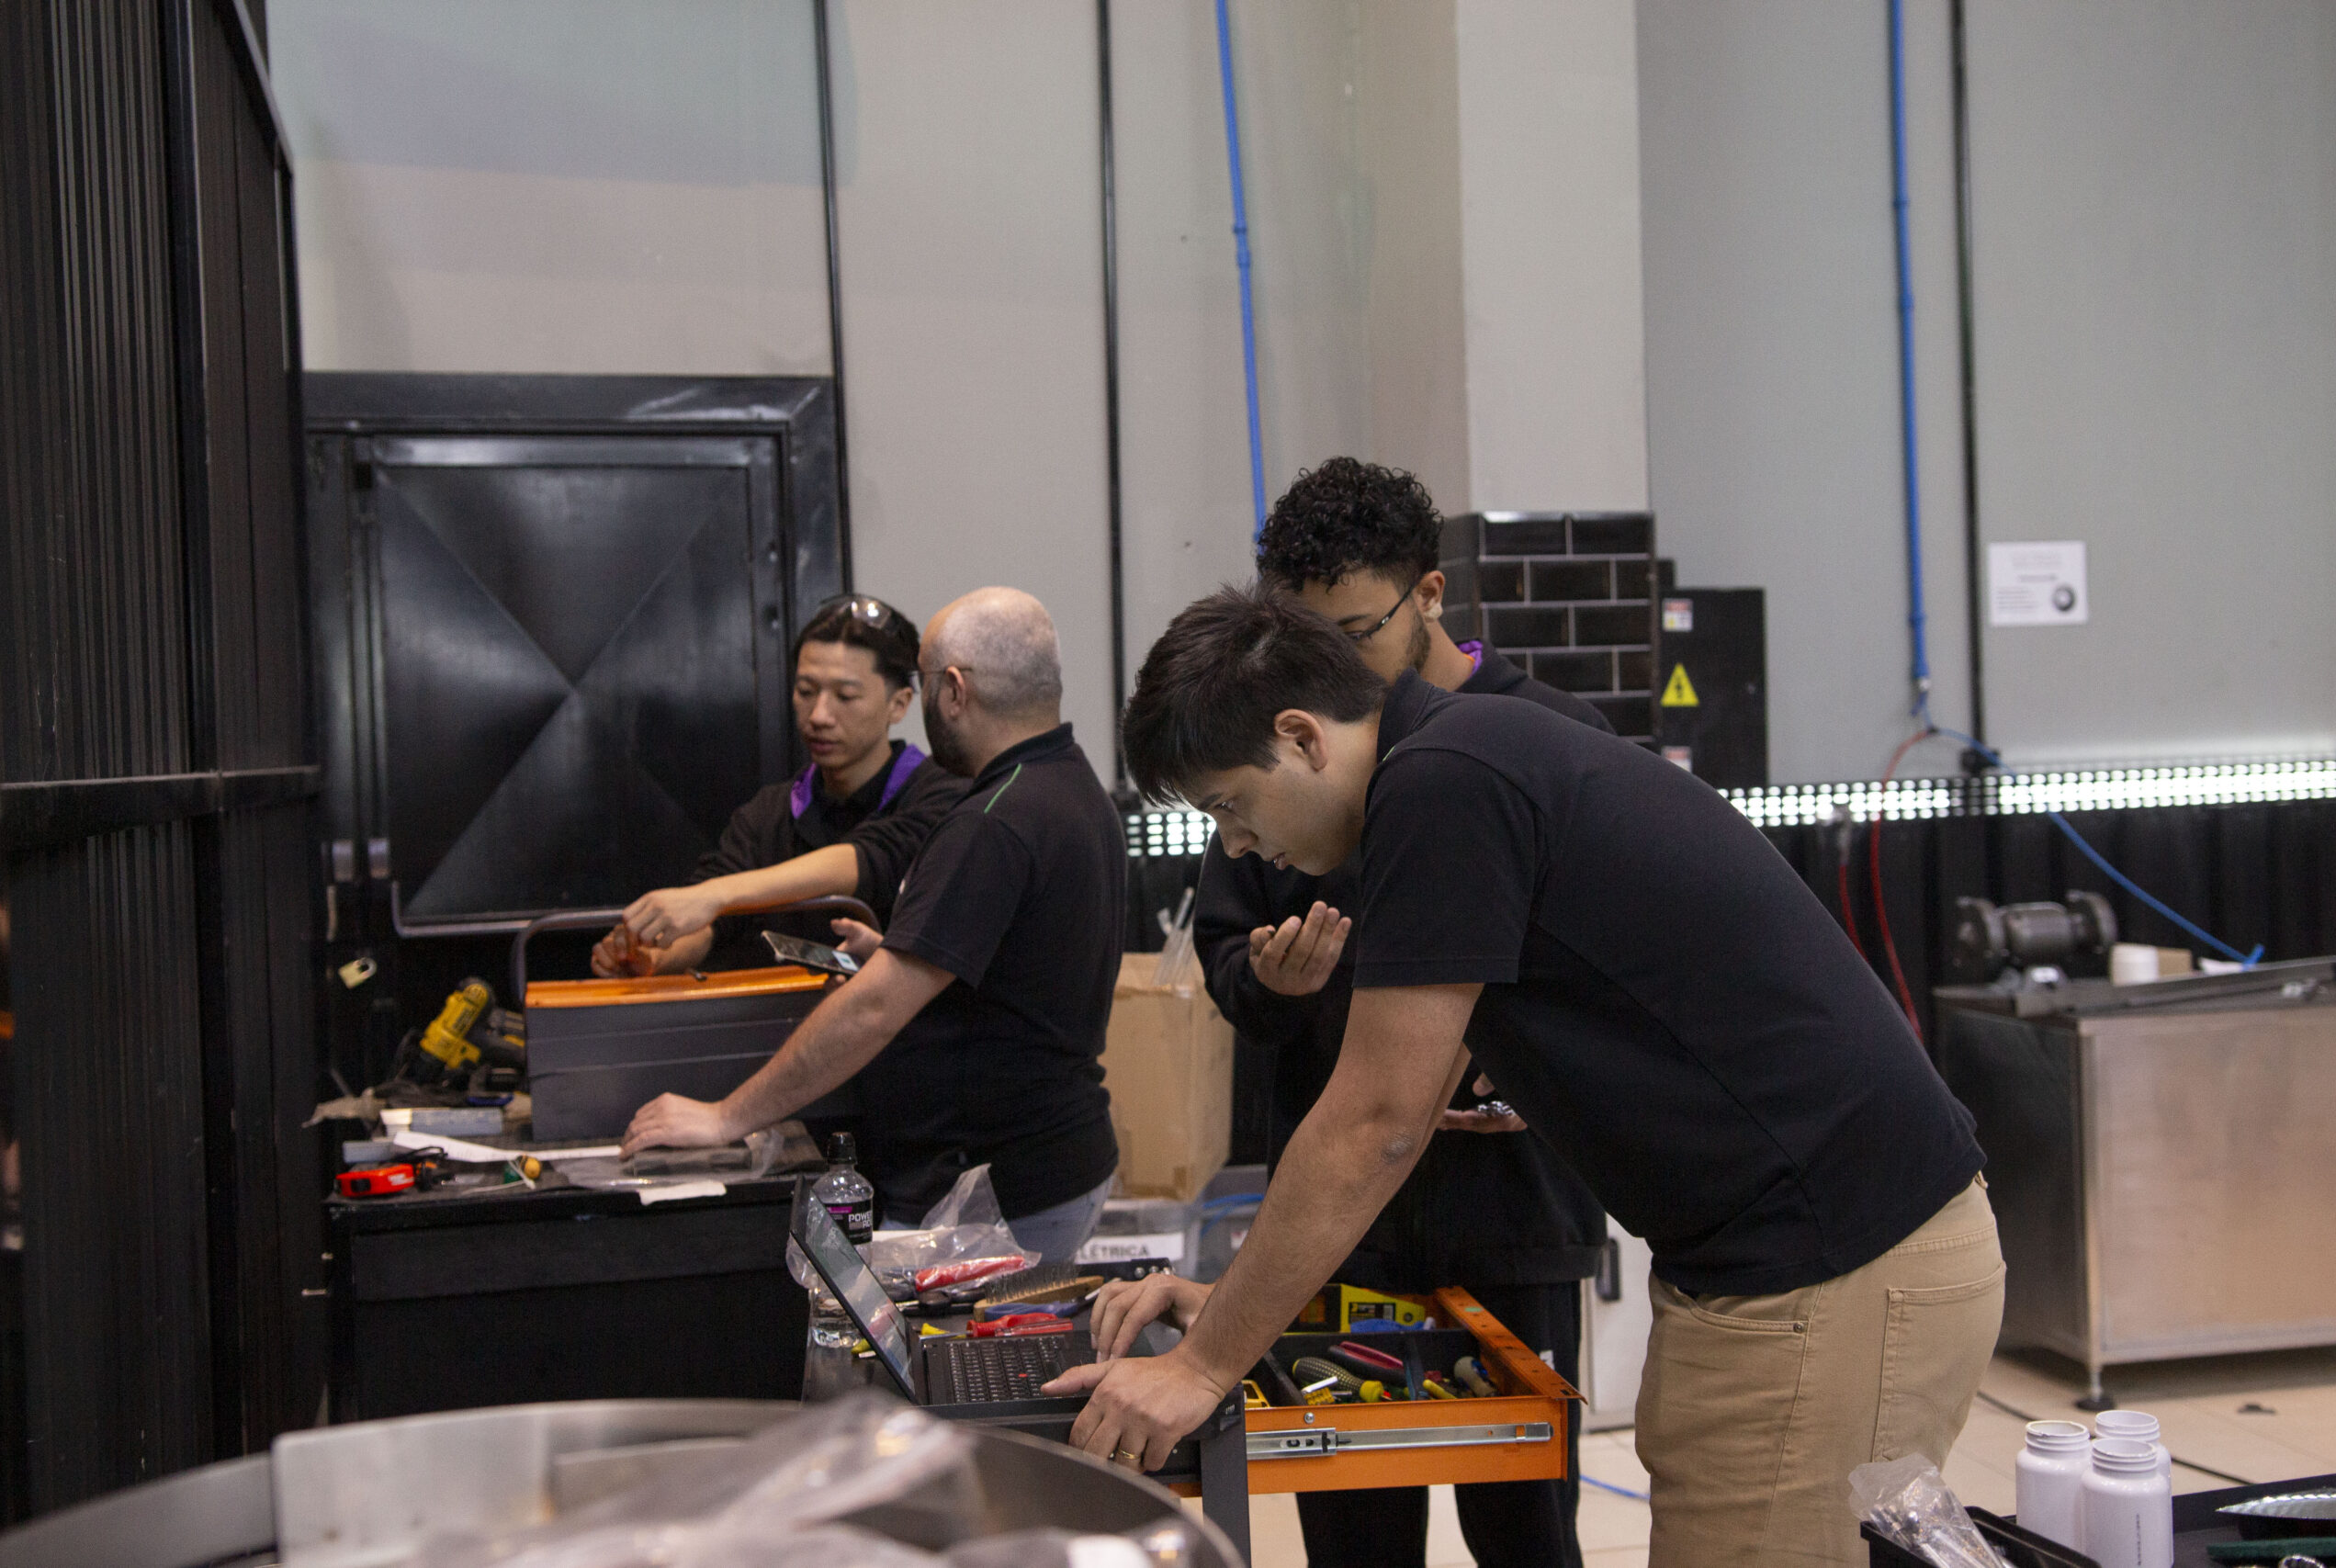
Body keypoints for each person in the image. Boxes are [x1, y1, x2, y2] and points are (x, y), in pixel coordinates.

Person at [1049, 584, 2004, 1568]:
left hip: (1839, 1256)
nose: (1237, 847)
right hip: (1778, 1258)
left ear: (1300, 737)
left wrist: (1205, 1367)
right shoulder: (1465, 760)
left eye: (1229, 807)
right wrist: (1246, 1296)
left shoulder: (1443, 785)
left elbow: (1377, 1119)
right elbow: (1417, 1083)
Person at [1191, 458, 1611, 1568]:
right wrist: (1270, 986)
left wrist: (1529, 1066)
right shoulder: (1291, 751)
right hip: (1344, 1218)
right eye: (1301, 641)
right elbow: (1225, 951)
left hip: (1511, 1214)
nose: (1330, 673)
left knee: (1525, 1528)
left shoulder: (1547, 740)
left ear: (1430, 594)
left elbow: (1597, 988)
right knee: (1354, 1526)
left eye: (1355, 631)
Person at [624, 588, 1126, 1262]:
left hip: (1002, 1187)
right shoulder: (1066, 782)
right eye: (806, 690)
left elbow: (874, 1009)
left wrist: (727, 1115)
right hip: (1047, 1164)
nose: (820, 713)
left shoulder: (992, 818)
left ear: (950, 690)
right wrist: (894, 948)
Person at [592, 594, 964, 977]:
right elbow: (711, 921)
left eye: (845, 696)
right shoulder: (768, 812)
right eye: (805, 691)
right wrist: (656, 958)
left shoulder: (942, 792)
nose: (819, 715)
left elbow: (866, 857)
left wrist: (715, 897)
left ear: (898, 705)